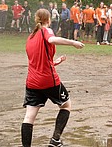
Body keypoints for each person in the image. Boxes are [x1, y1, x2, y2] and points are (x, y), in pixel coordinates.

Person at [21, 9, 84, 147]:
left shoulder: (30, 37)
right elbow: (52, 39)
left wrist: (55, 62)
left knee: (29, 117)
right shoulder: (46, 31)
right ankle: (55, 139)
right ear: (48, 20)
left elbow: (38, 61)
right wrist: (73, 42)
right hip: (48, 80)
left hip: (32, 82)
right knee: (66, 105)